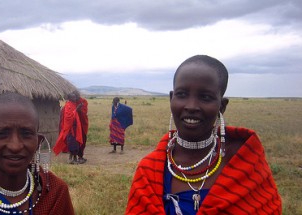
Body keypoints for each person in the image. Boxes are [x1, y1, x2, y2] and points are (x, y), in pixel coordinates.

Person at [126, 55, 282, 214]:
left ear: (222, 106)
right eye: (182, 94)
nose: (191, 106)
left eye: (205, 97)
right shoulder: (149, 170)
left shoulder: (246, 166)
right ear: (171, 98)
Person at [53, 91, 89, 164]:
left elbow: (83, 112)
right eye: (74, 97)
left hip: (77, 127)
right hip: (71, 129)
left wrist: (78, 109)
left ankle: (77, 157)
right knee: (72, 143)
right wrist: (77, 110)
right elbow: (68, 116)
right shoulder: (69, 105)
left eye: (76, 96)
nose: (75, 98)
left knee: (77, 143)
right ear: (69, 98)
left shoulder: (77, 103)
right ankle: (71, 158)